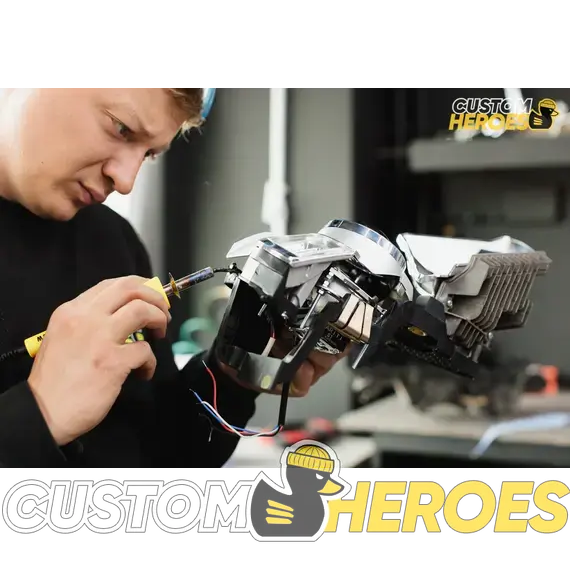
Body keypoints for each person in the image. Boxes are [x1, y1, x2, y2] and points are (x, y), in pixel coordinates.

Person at [0, 83, 348, 473]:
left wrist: (233, 374)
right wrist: (39, 414)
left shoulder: (113, 240)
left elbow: (166, 455)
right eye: (121, 128)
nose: (126, 180)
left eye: (148, 154)